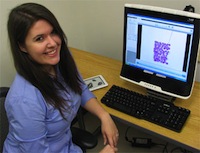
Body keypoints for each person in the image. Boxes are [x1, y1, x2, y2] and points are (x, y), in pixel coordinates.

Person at [3, 3, 118, 153]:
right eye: (39, 39)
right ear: (22, 46)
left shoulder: (60, 58)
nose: (52, 43)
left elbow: (80, 87)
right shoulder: (24, 101)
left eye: (53, 33)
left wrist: (104, 116)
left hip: (66, 145)